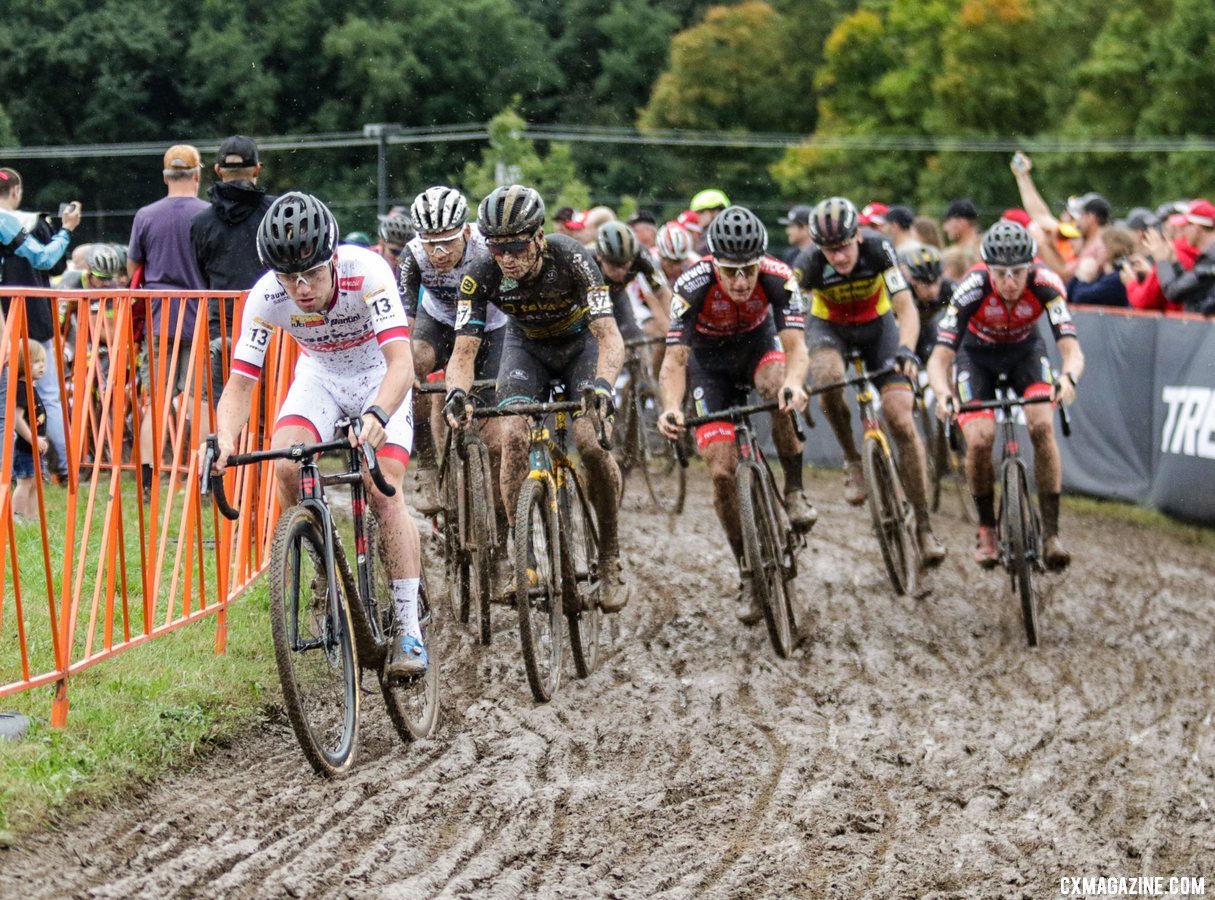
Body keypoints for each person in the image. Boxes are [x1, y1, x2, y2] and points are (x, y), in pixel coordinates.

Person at [208, 192, 426, 677]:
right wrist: (224, 439)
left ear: (331, 257)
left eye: (310, 273)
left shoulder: (366, 271)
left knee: (382, 487)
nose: (301, 288)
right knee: (286, 464)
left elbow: (401, 363)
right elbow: (241, 383)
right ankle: (323, 562)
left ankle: (409, 627)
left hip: (378, 377)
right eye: (289, 277)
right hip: (321, 377)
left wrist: (378, 413)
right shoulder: (266, 297)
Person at [443, 184, 630, 612]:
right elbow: (464, 351)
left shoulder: (573, 257)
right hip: (526, 350)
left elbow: (609, 336)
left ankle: (610, 554)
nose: (506, 257)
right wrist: (457, 391)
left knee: (590, 442)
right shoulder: (479, 273)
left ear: (539, 237)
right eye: (496, 247)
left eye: (516, 246)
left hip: (581, 349)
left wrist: (602, 384)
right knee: (512, 437)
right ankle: (521, 557)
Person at [657, 206, 814, 624]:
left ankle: (794, 490)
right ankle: (747, 568)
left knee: (778, 387)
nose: (742, 281)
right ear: (713, 264)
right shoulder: (691, 285)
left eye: (748, 270)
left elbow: (797, 347)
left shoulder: (779, 277)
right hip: (709, 365)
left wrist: (795, 384)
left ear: (760, 261)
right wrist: (672, 407)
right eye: (731, 272)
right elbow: (674, 361)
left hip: (759, 348)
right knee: (722, 470)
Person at [795, 196, 946, 566]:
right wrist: (797, 377)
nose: (839, 257)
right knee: (828, 377)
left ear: (858, 238)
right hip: (828, 329)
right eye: (830, 250)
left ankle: (924, 528)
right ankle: (852, 460)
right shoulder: (808, 265)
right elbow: (793, 328)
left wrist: (908, 350)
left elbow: (906, 308)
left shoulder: (880, 250)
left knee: (900, 418)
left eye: (844, 247)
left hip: (879, 331)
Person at [927, 220, 1084, 570]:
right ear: (988, 269)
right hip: (976, 355)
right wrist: (942, 393)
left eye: (1018, 273)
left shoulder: (1046, 284)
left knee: (1042, 425)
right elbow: (939, 359)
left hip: (1025, 352)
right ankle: (986, 528)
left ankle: (1051, 535)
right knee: (980, 439)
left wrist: (1068, 377)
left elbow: (1071, 348)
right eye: (1000, 274)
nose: (1010, 283)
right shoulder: (970, 287)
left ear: (1031, 267)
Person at [398, 185, 508, 516]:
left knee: (493, 437)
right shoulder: (413, 255)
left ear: (467, 230)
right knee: (411, 362)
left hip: (490, 327)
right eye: (432, 243)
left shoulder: (487, 251)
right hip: (440, 323)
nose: (440, 252)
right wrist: (406, 370)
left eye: (448, 240)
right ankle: (429, 463)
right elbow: (403, 321)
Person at [128, 144, 210, 502]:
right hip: (202, 318)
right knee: (201, 402)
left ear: (165, 177)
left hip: (161, 321)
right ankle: (208, 479)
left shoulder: (145, 215)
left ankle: (148, 483)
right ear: (197, 175)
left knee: (157, 403)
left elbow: (134, 270)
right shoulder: (209, 215)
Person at [0, 167, 82, 483]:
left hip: (13, 317)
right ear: (16, 192)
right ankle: (67, 466)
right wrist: (67, 230)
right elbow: (46, 260)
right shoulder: (15, 223)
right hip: (26, 318)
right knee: (49, 394)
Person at [191, 135, 276, 406]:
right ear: (257, 169)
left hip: (221, 326)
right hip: (269, 323)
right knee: (268, 408)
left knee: (225, 406)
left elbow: (201, 272)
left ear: (217, 171)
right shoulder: (275, 212)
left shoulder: (201, 222)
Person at [1148, 199, 1215, 315]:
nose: (1182, 232)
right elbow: (1189, 287)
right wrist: (1174, 262)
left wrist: (1161, 260)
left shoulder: (1211, 258)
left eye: (1185, 226)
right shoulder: (1208, 257)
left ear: (1196, 228)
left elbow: (1174, 293)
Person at [898, 243, 955, 365]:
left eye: (936, 282)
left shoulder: (949, 289)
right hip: (914, 342)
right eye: (925, 283)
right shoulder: (904, 293)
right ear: (912, 280)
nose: (933, 290)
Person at [10, 341, 48, 521]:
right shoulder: (21, 389)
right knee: (24, 482)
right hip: (24, 447)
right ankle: (16, 516)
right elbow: (16, 420)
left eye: (43, 361)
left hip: (33, 446)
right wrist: (33, 439)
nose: (42, 365)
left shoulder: (30, 388)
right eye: (36, 361)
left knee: (34, 483)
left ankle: (32, 519)